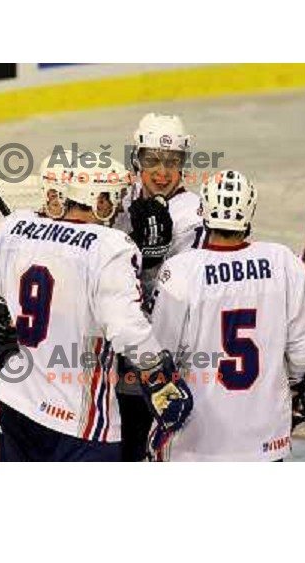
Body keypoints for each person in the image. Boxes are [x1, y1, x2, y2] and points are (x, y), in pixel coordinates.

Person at [0, 156, 192, 461]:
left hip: (13, 406)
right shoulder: (111, 246)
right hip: (79, 424)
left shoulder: (16, 229)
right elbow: (127, 329)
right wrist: (158, 376)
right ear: (102, 200)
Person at [148, 170, 305, 461]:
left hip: (196, 442)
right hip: (267, 439)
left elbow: (158, 353)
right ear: (250, 209)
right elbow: (304, 349)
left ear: (203, 210)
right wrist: (291, 384)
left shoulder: (181, 270)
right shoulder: (283, 262)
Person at [114, 112, 205, 461]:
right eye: (152, 160)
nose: (162, 172)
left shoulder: (195, 213)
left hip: (160, 351)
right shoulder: (118, 197)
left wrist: (151, 265)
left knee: (142, 441)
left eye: (172, 161)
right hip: (115, 342)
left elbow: (182, 297)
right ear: (137, 159)